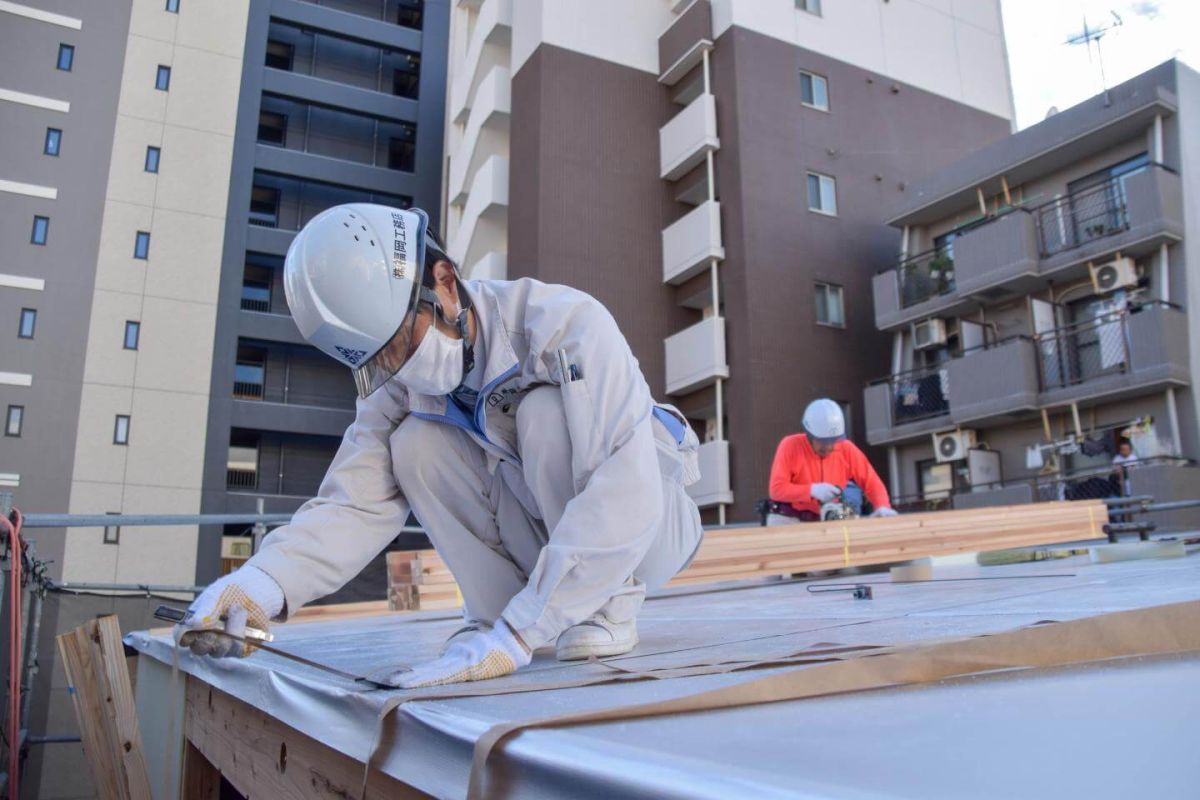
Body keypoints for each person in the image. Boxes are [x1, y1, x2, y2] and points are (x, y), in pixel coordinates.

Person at [176, 204, 704, 688]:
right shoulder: (398, 388)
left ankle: (603, 607)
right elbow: (354, 502)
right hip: (547, 531)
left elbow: (624, 487)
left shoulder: (562, 324)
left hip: (651, 526)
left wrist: (521, 638)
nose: (401, 367)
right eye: (382, 360)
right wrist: (258, 587)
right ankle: (494, 616)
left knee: (542, 413)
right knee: (415, 445)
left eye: (403, 342)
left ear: (445, 282)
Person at [766, 399, 895, 524]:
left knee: (851, 517)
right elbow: (776, 489)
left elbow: (871, 481)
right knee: (781, 529)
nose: (829, 447)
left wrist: (882, 506)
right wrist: (811, 490)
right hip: (789, 516)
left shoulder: (846, 449)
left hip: (828, 514)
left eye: (833, 440)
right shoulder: (790, 446)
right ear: (810, 435)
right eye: (823, 441)